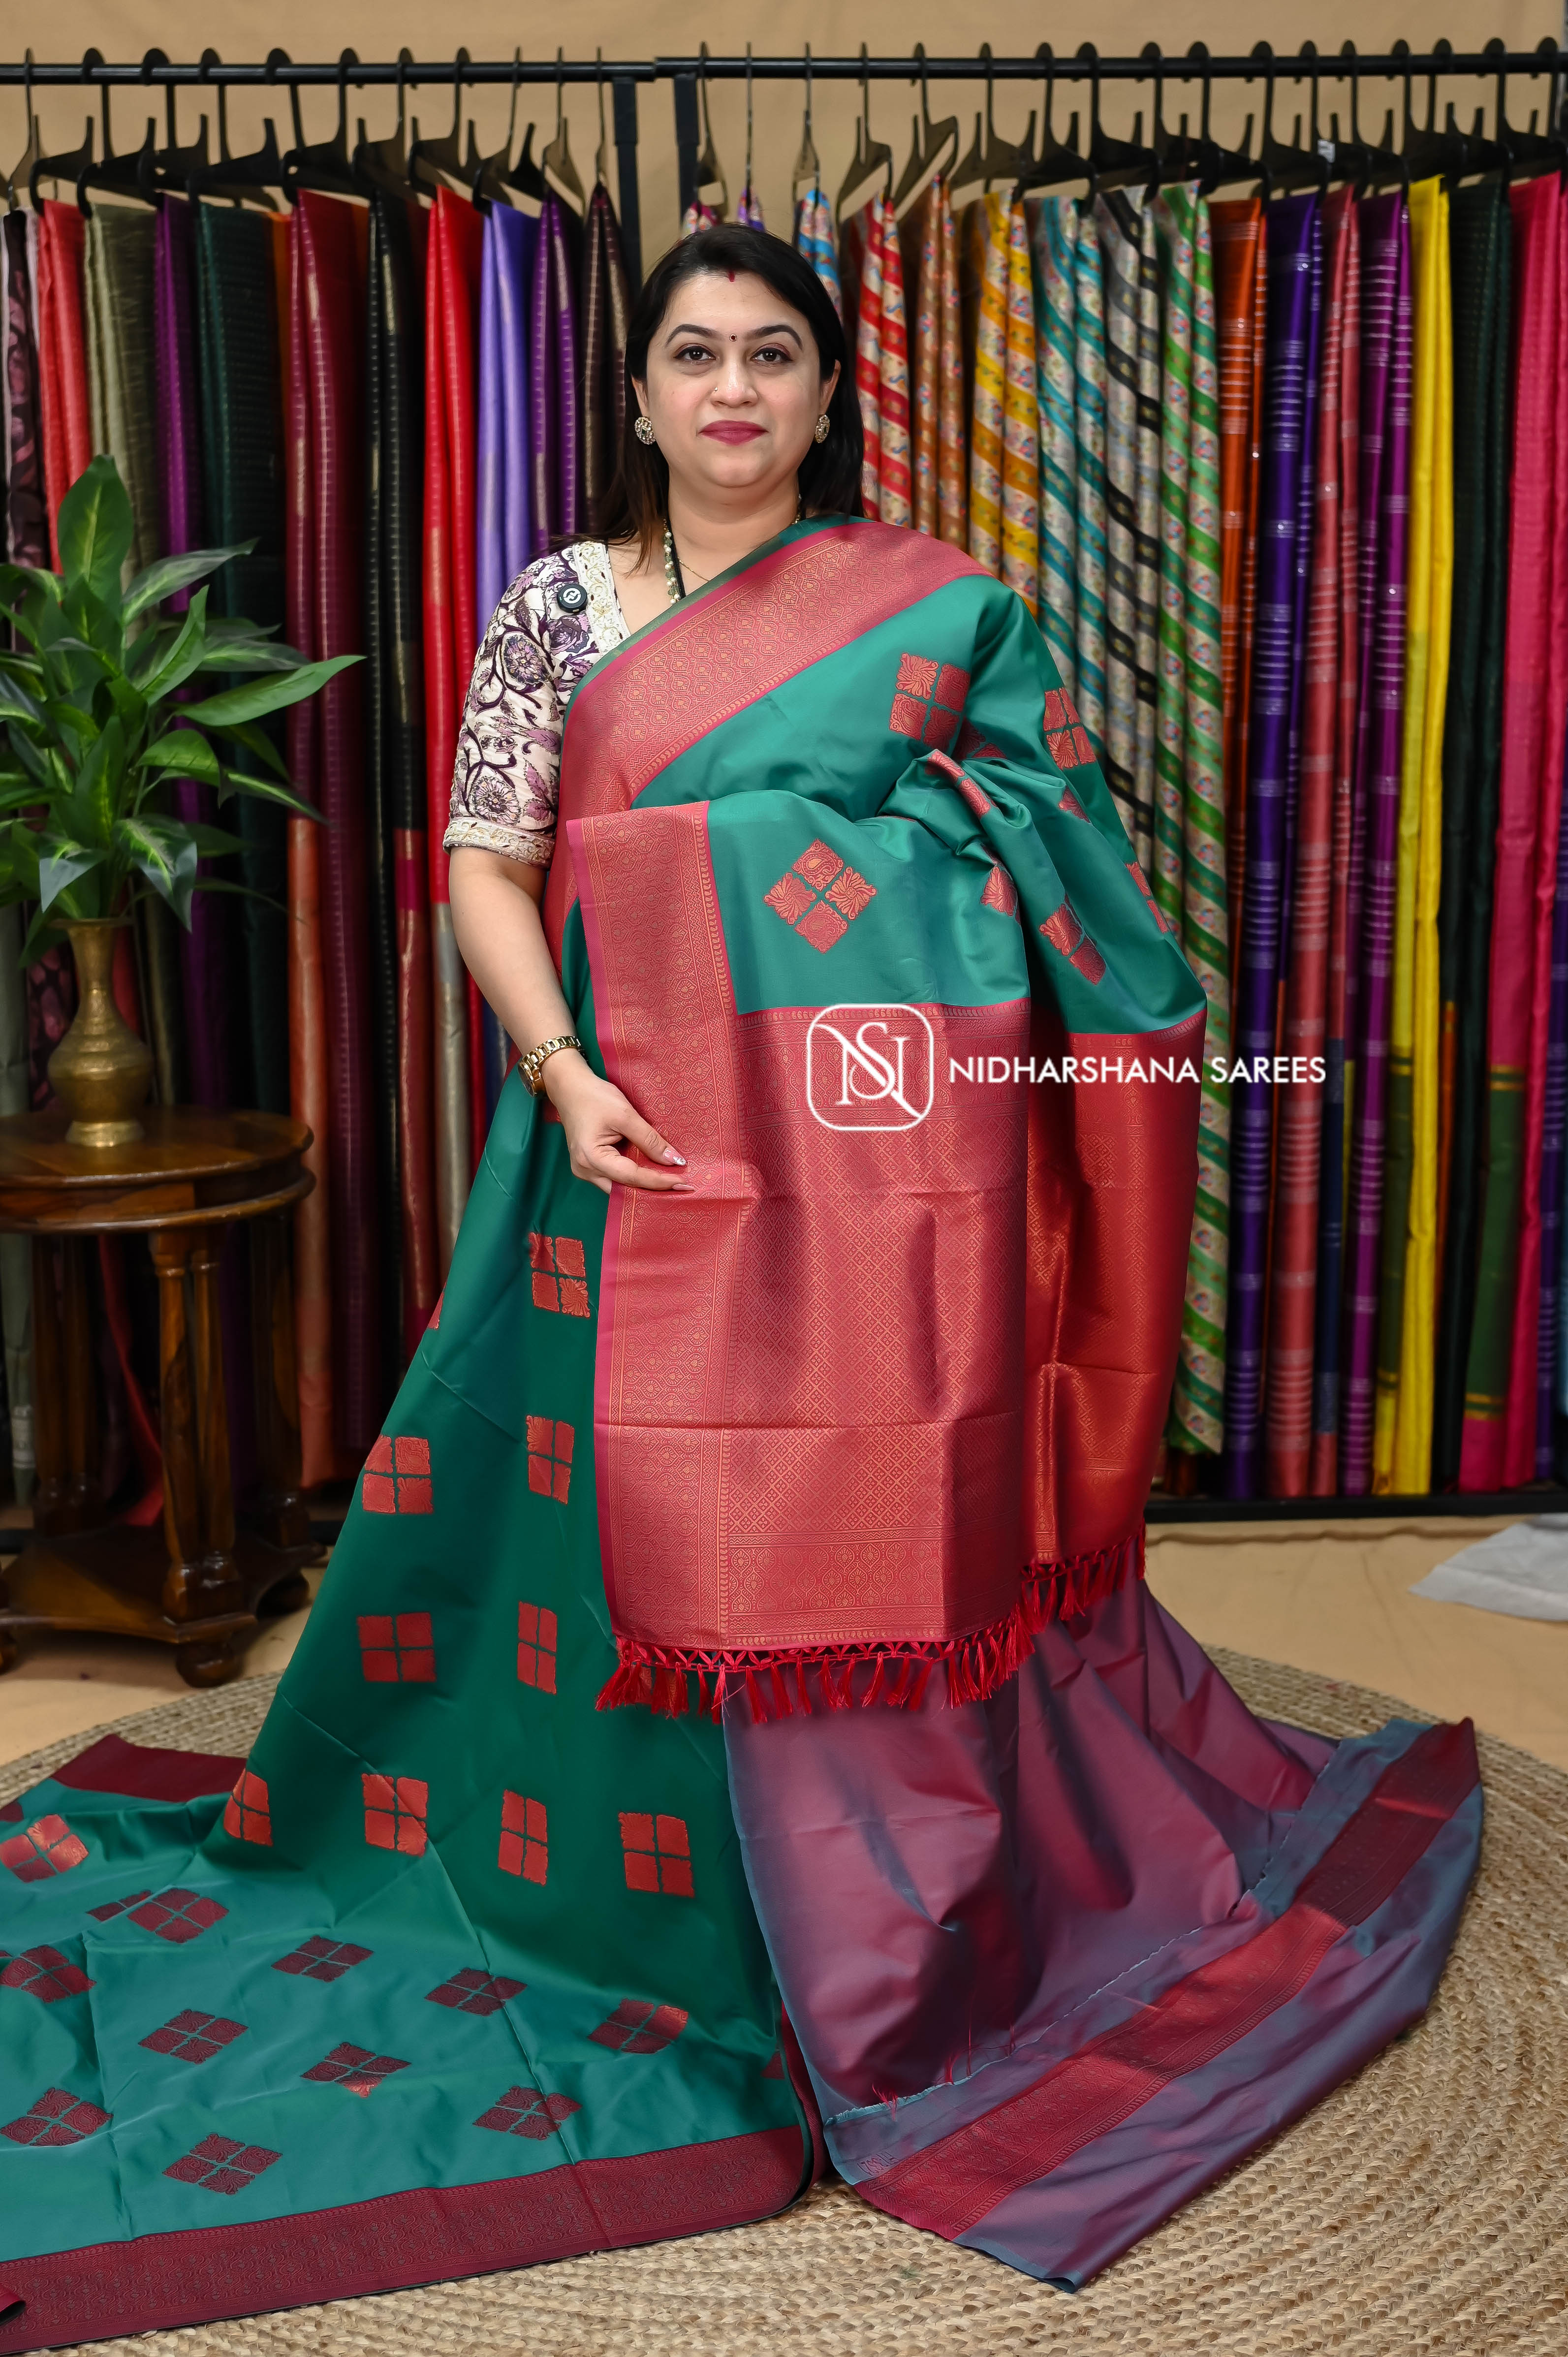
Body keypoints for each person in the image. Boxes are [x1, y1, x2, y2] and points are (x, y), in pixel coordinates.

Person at [0, 227, 1479, 2345]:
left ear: (823, 392)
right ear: (634, 391)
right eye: (691, 354)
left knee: (869, 1493)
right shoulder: (561, 606)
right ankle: (610, 1902)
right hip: (622, 1144)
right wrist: (564, 1069)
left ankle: (879, 1918)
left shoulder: (934, 611)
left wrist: (877, 863)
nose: (729, 390)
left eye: (771, 354)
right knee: (594, 1508)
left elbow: (1048, 858)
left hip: (879, 1173)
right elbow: (485, 858)